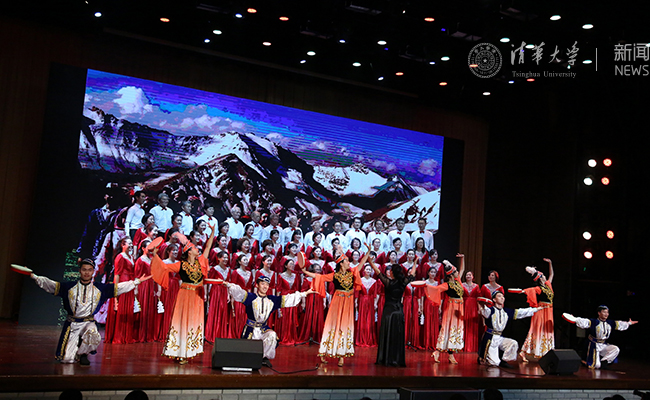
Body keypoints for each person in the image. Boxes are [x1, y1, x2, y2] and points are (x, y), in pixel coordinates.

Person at [28, 258, 149, 365]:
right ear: (80, 271)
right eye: (84, 269)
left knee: (93, 335)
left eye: (89, 270)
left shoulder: (100, 288)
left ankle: (83, 354)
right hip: (73, 323)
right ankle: (73, 352)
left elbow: (119, 288)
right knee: (67, 360)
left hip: (88, 322)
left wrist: (136, 282)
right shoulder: (69, 287)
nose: (87, 272)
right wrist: (34, 277)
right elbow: (52, 285)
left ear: (93, 271)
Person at [213, 275, 316, 367]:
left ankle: (263, 358)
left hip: (263, 328)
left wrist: (305, 293)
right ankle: (250, 358)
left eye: (267, 284)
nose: (265, 286)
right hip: (251, 329)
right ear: (257, 285)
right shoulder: (251, 297)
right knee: (248, 349)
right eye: (262, 284)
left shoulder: (272, 300)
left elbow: (289, 298)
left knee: (272, 335)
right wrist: (227, 284)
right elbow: (238, 292)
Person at [151, 223, 216, 363]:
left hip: (196, 296)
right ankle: (179, 351)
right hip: (184, 295)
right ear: (189, 252)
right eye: (194, 248)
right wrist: (155, 255)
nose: (197, 249)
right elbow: (163, 267)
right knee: (182, 322)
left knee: (193, 322)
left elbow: (208, 247)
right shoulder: (181, 265)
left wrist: (213, 231)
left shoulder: (201, 262)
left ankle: (189, 350)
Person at [300, 245, 370, 367]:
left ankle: (341, 356)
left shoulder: (352, 273)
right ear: (341, 263)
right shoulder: (334, 275)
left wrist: (368, 252)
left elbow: (361, 264)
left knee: (345, 326)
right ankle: (324, 352)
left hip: (348, 302)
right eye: (347, 261)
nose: (349, 263)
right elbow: (319, 277)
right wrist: (305, 271)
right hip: (338, 301)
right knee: (333, 325)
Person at [367, 255, 420, 366]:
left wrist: (370, 262)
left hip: (388, 312)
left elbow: (377, 272)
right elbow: (412, 274)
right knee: (397, 335)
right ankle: (396, 359)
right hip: (399, 311)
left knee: (387, 334)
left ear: (392, 273)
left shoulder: (388, 283)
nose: (389, 272)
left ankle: (385, 359)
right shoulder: (403, 282)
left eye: (390, 271)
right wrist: (415, 262)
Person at [478, 291, 540, 368]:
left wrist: (536, 309)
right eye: (499, 296)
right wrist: (482, 304)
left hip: (500, 337)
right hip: (491, 338)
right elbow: (484, 311)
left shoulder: (506, 311)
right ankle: (487, 358)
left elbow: (521, 312)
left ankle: (503, 360)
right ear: (494, 299)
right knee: (494, 363)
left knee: (513, 343)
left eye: (503, 296)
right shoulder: (491, 310)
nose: (502, 298)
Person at [564, 305, 638, 369]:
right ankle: (588, 362)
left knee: (615, 349)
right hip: (594, 345)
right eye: (604, 312)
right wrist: (574, 319)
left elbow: (621, 324)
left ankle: (603, 362)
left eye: (607, 312)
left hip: (603, 345)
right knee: (595, 366)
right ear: (599, 313)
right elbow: (583, 321)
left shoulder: (610, 323)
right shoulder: (594, 322)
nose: (606, 314)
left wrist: (629, 323)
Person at [424, 254, 465, 364]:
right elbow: (435, 289)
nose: (457, 273)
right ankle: (437, 351)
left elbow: (462, 269)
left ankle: (450, 355)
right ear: (451, 274)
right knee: (447, 329)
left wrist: (462, 258)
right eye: (455, 272)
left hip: (459, 308)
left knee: (455, 331)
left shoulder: (458, 281)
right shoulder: (447, 285)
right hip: (451, 307)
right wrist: (425, 285)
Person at [517, 258, 555, 362]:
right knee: (536, 330)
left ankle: (544, 352)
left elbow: (552, 275)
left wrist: (550, 263)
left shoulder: (548, 285)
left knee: (546, 331)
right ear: (540, 278)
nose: (545, 277)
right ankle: (523, 352)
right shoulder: (539, 288)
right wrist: (520, 292)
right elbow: (529, 291)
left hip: (549, 311)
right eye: (542, 276)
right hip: (541, 311)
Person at [205, 251, 231, 342]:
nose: (226, 259)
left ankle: (221, 334)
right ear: (219, 258)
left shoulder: (228, 270)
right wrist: (208, 294)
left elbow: (228, 283)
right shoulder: (214, 269)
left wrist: (228, 294)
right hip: (216, 292)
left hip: (224, 291)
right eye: (224, 257)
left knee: (222, 312)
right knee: (214, 311)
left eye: (227, 258)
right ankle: (211, 335)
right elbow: (209, 282)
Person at [355, 265, 378, 347]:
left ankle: (369, 339)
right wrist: (356, 301)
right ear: (364, 270)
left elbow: (375, 294)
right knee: (362, 319)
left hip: (371, 301)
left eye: (369, 269)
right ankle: (361, 339)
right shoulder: (359, 280)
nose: (368, 271)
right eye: (367, 269)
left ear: (372, 271)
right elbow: (357, 292)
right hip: (362, 301)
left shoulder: (374, 281)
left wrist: (375, 303)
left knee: (370, 319)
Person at [463, 270, 481, 353]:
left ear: (473, 277)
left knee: (472, 325)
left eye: (470, 275)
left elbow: (478, 298)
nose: (468, 276)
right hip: (464, 305)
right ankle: (462, 345)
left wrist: (479, 308)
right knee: (464, 324)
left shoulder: (476, 286)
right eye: (467, 274)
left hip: (473, 306)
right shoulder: (462, 285)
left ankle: (471, 346)